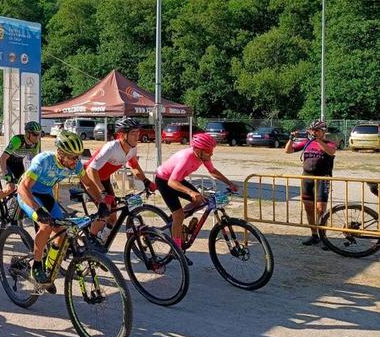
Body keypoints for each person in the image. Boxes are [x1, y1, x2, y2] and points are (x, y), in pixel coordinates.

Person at [17, 130, 105, 285]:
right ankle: (36, 265)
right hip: (28, 194)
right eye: (72, 157)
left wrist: (101, 202)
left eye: (78, 156)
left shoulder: (75, 164)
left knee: (62, 231)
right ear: (60, 153)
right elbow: (23, 188)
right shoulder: (43, 161)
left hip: (46, 195)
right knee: (45, 226)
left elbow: (88, 184)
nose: (75, 161)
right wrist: (38, 210)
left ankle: (49, 269)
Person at [154, 133, 237, 261]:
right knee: (179, 214)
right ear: (198, 150)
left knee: (200, 202)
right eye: (209, 151)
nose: (211, 154)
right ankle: (176, 248)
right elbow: (171, 182)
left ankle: (176, 222)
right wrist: (191, 193)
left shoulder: (203, 156)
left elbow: (212, 171)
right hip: (164, 180)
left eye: (212, 151)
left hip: (177, 179)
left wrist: (229, 183)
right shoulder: (187, 157)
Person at [85, 117, 156, 246]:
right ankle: (90, 242)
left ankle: (100, 240)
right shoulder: (111, 147)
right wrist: (103, 193)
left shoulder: (132, 148)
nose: (137, 136)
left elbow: (134, 166)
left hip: (104, 179)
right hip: (90, 179)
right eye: (133, 133)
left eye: (138, 133)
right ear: (123, 135)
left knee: (113, 218)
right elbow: (91, 171)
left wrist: (146, 181)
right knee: (105, 211)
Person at [285, 119, 337, 246]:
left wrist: (318, 140)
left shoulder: (329, 143)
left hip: (322, 179)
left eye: (317, 130)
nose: (314, 132)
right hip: (307, 178)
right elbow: (288, 150)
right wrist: (291, 138)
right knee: (309, 208)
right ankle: (314, 235)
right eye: (313, 130)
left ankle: (324, 237)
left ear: (323, 131)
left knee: (320, 209)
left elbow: (331, 152)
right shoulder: (307, 143)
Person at [0, 121, 42, 208]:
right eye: (35, 134)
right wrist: (5, 173)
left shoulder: (36, 143)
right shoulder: (17, 140)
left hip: (18, 164)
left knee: (26, 187)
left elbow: (35, 161)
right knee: (11, 187)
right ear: (28, 134)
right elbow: (3, 158)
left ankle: (16, 208)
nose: (37, 137)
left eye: (39, 134)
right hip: (8, 163)